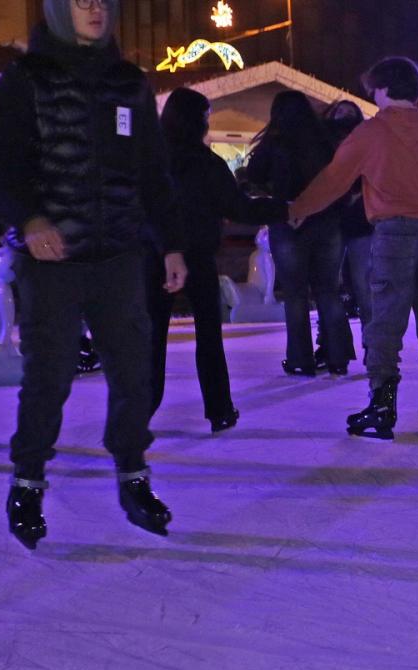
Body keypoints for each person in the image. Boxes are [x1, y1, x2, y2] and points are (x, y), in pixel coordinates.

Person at [0, 0, 187, 549]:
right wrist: (29, 219)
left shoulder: (129, 83)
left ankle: (133, 476)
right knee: (48, 378)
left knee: (134, 374)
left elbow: (153, 170)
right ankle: (27, 480)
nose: (95, 8)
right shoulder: (27, 78)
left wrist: (170, 244)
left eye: (103, 0)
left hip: (118, 256)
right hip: (52, 262)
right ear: (57, 10)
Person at [289, 56, 418, 440]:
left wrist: (299, 209)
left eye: (373, 88)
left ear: (383, 88)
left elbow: (334, 179)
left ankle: (381, 404)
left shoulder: (372, 132)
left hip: (395, 232)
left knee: (385, 316)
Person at [150, 88, 286, 433]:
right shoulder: (205, 163)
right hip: (197, 255)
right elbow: (236, 206)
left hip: (153, 255)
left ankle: (141, 408)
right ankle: (219, 408)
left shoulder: (152, 161)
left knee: (151, 337)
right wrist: (281, 208)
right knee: (208, 335)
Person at [246, 91, 351, 377]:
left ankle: (300, 359)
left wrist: (278, 202)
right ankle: (338, 355)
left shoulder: (275, 142)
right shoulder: (326, 142)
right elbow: (344, 181)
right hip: (328, 221)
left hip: (288, 221)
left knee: (295, 294)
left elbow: (252, 177)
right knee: (328, 290)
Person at [324, 99, 372, 367]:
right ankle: (335, 345)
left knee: (364, 284)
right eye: (339, 112)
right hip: (331, 220)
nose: (343, 116)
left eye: (349, 113)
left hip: (360, 222)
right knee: (329, 284)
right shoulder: (323, 142)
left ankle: (371, 343)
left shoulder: (364, 142)